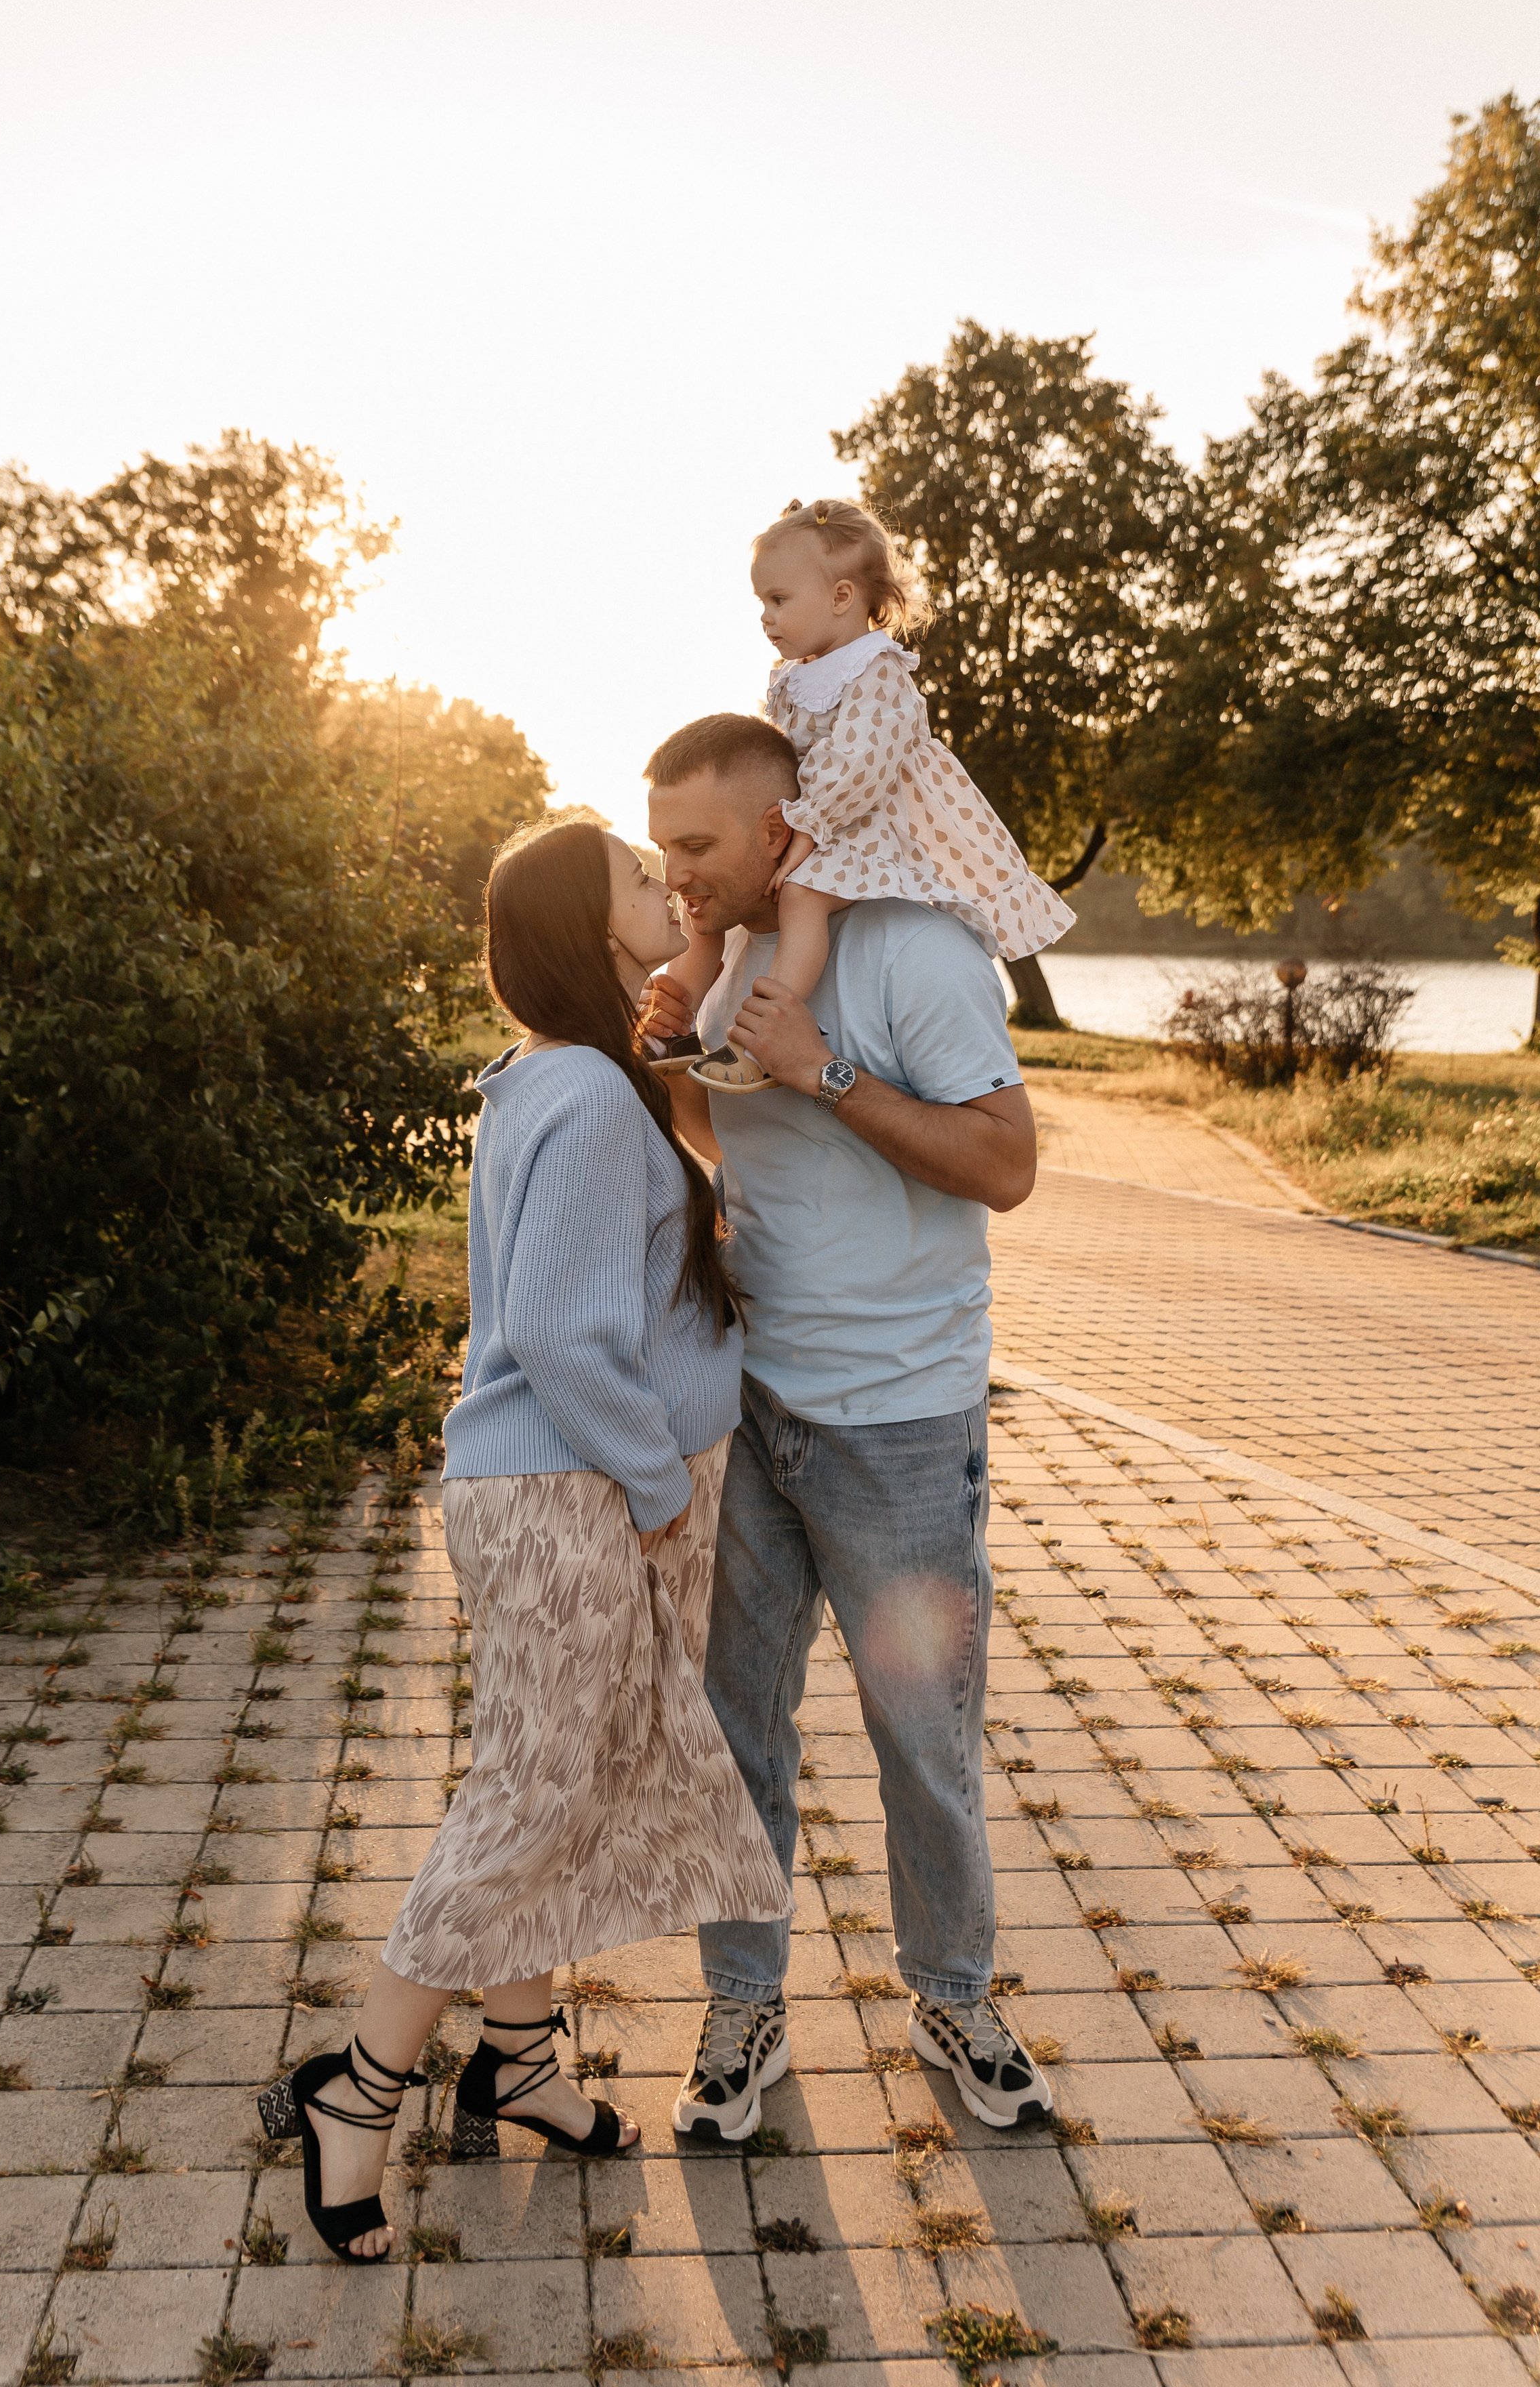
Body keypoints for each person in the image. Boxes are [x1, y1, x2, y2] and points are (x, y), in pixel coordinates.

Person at [258, 814, 790, 2260]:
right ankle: (358, 2096)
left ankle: (525, 2065)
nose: (662, 887)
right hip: (574, 1486)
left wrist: (695, 964)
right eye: (635, 875)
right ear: (579, 927)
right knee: (532, 1794)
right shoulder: (590, 1103)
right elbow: (558, 1331)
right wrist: (656, 1480)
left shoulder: (570, 1080)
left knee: (560, 1778)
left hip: (567, 1487)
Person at [642, 713, 1054, 2142]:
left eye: (696, 846)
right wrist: (670, 1067)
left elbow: (1004, 1165)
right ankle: (740, 2007)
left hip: (895, 1425)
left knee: (918, 1736)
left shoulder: (915, 951)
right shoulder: (724, 960)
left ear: (779, 832)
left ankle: (951, 1992)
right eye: (661, 844)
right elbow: (726, 1143)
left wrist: (826, 1067)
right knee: (733, 1731)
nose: (672, 872)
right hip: (752, 1404)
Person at [680, 498, 1071, 1093]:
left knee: (804, 893)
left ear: (841, 597)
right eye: (762, 602)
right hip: (816, 817)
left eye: (779, 600)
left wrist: (806, 826)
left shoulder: (876, 669)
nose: (766, 617)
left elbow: (861, 763)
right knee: (726, 883)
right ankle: (678, 1007)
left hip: (864, 822)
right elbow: (780, 756)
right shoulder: (797, 674)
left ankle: (762, 1040)